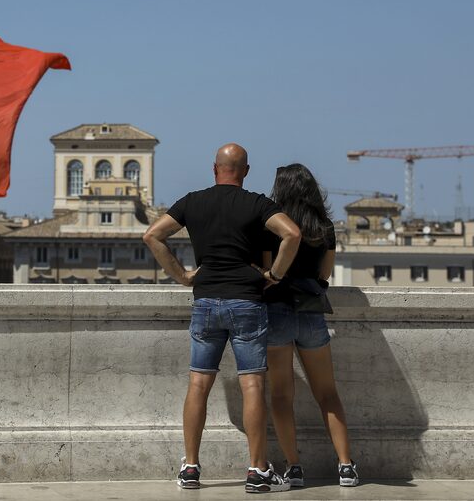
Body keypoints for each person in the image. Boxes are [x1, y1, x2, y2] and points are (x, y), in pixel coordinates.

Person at [144, 143, 301, 493]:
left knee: (198, 383)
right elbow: (292, 234)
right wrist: (274, 274)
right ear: (245, 171)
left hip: (205, 302)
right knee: (253, 385)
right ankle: (258, 470)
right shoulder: (258, 203)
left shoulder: (193, 201)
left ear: (214, 169)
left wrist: (183, 276)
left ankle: (190, 467)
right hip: (247, 302)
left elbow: (152, 235)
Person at [262, 163, 359, 488]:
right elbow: (325, 275)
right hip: (310, 310)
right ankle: (345, 466)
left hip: (276, 309)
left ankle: (294, 467)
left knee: (280, 395)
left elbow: (266, 269)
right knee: (327, 393)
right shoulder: (324, 226)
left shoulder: (272, 224)